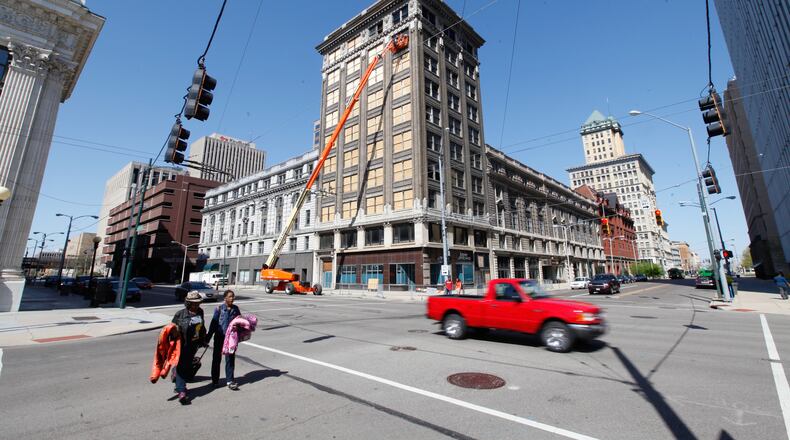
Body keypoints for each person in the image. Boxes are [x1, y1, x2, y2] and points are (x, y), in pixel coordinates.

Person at [171, 291, 207, 403]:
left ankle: (175, 373)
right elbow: (171, 330)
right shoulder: (180, 314)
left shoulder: (200, 312)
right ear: (188, 303)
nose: (196, 305)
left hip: (193, 344)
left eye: (198, 303)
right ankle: (182, 391)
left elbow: (201, 327)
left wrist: (203, 340)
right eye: (193, 303)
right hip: (181, 345)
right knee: (182, 366)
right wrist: (175, 331)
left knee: (186, 366)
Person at [207, 289, 241, 390]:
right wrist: (208, 337)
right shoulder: (219, 309)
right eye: (230, 296)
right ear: (225, 298)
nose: (232, 298)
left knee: (230, 359)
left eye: (233, 296)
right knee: (216, 359)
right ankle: (215, 381)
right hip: (219, 337)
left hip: (230, 339)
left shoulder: (236, 309)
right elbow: (213, 324)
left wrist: (237, 327)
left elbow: (240, 321)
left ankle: (230, 381)